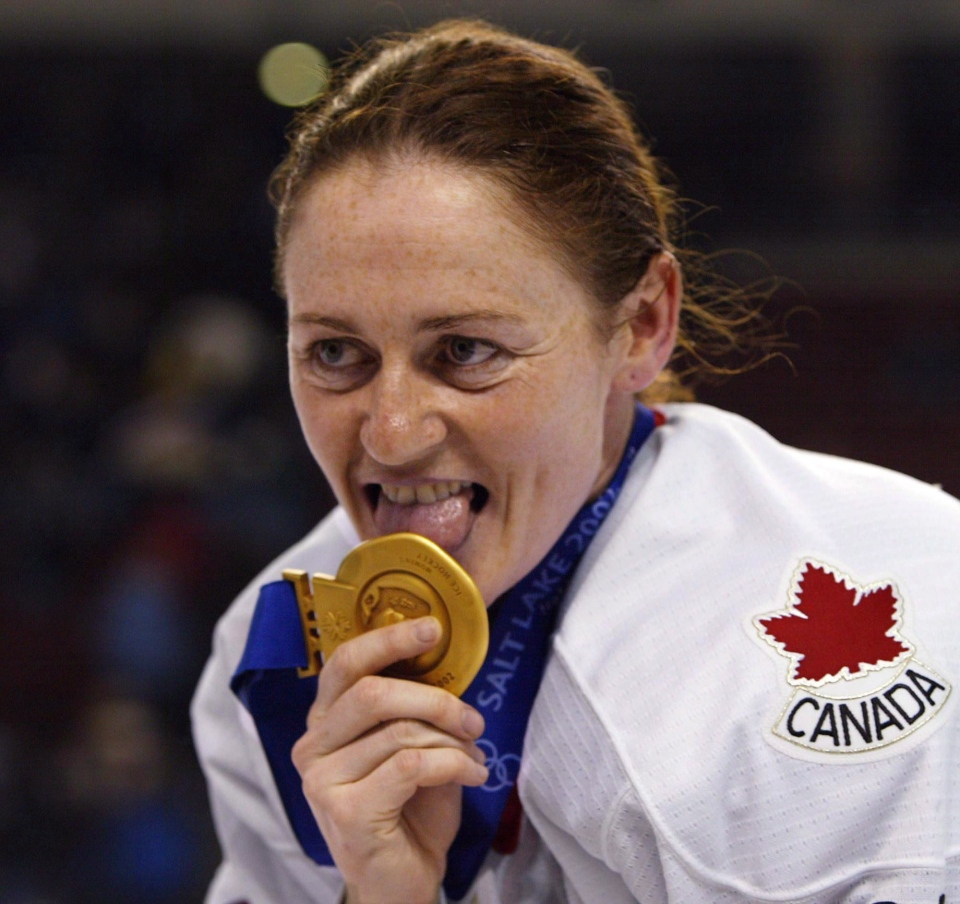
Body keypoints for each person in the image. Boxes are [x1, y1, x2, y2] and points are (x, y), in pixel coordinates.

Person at [192, 19, 960, 904]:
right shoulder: (275, 654)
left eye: (466, 351)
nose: (391, 434)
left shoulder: (910, 579)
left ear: (640, 326)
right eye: (335, 354)